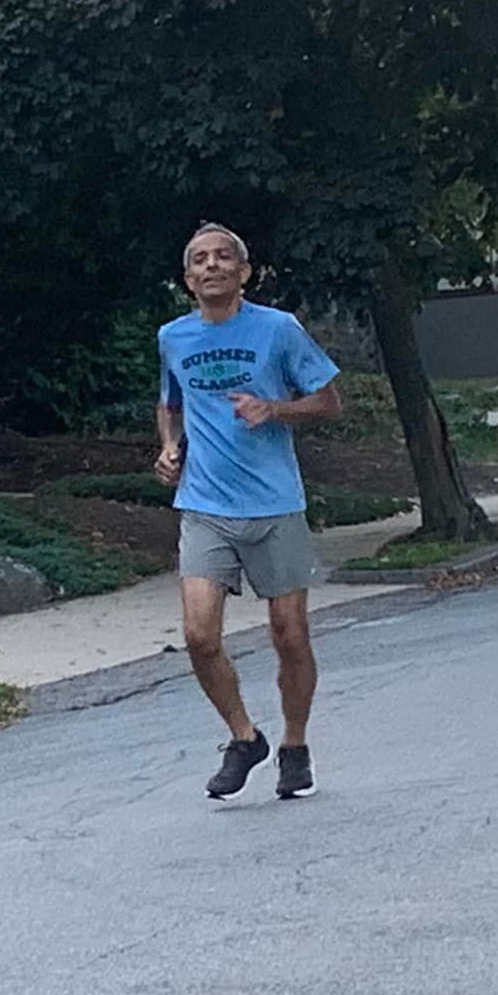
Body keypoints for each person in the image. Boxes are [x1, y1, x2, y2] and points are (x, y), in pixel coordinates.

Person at [156, 223, 343, 802]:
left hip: (275, 504)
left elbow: (331, 402)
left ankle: (294, 744)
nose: (212, 266)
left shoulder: (278, 330)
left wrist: (275, 409)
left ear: (244, 271)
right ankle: (244, 737)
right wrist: (169, 447)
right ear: (188, 279)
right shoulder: (173, 337)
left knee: (289, 633)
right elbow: (171, 403)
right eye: (200, 260)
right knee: (198, 634)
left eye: (224, 257)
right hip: (205, 506)